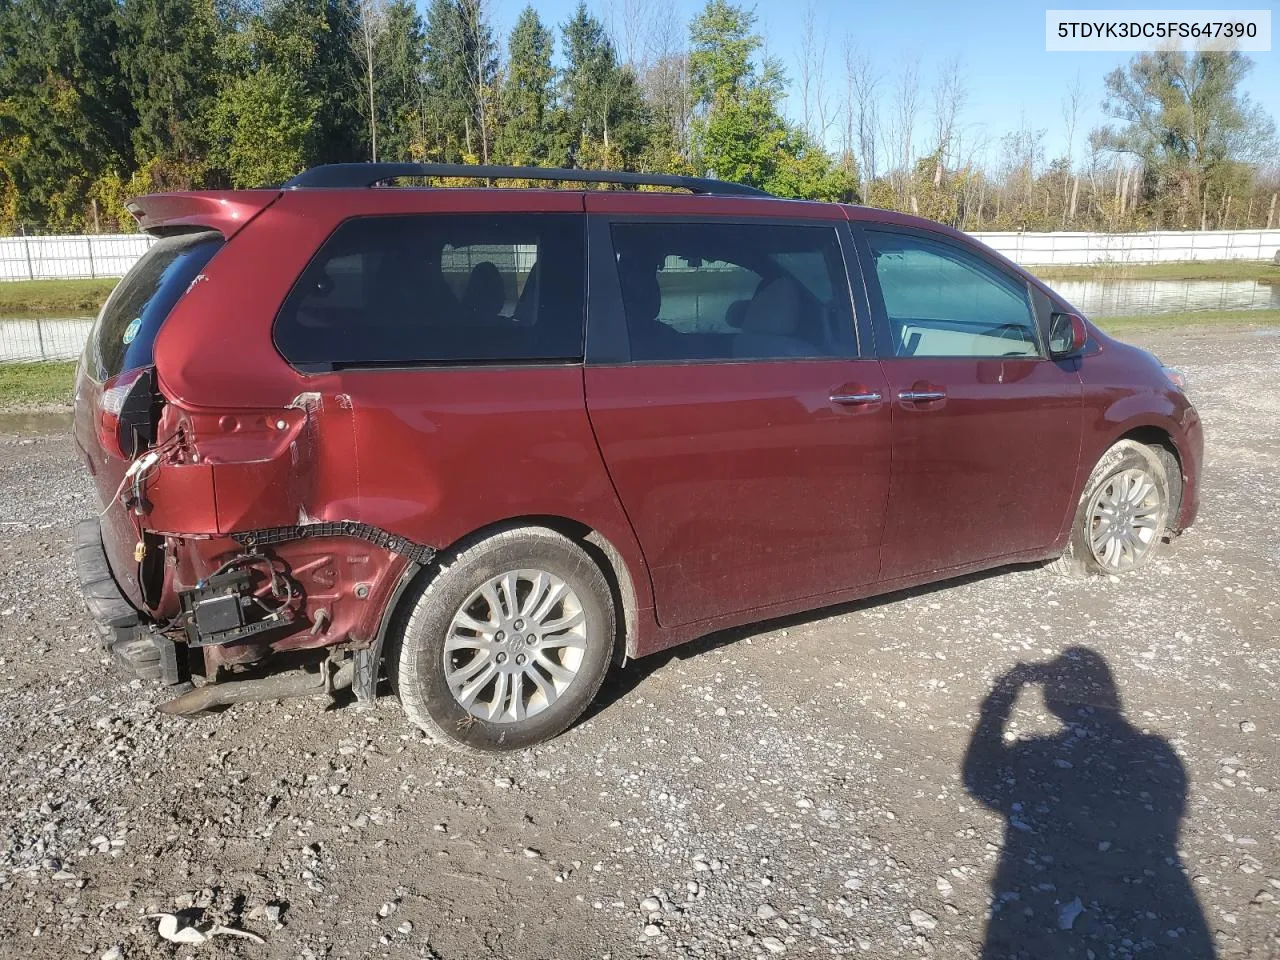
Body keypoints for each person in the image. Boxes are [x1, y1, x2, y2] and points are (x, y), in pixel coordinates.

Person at [962, 647, 1214, 959]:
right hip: (1157, 906)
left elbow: (979, 778)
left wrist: (1003, 695)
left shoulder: (1035, 757)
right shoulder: (1158, 755)